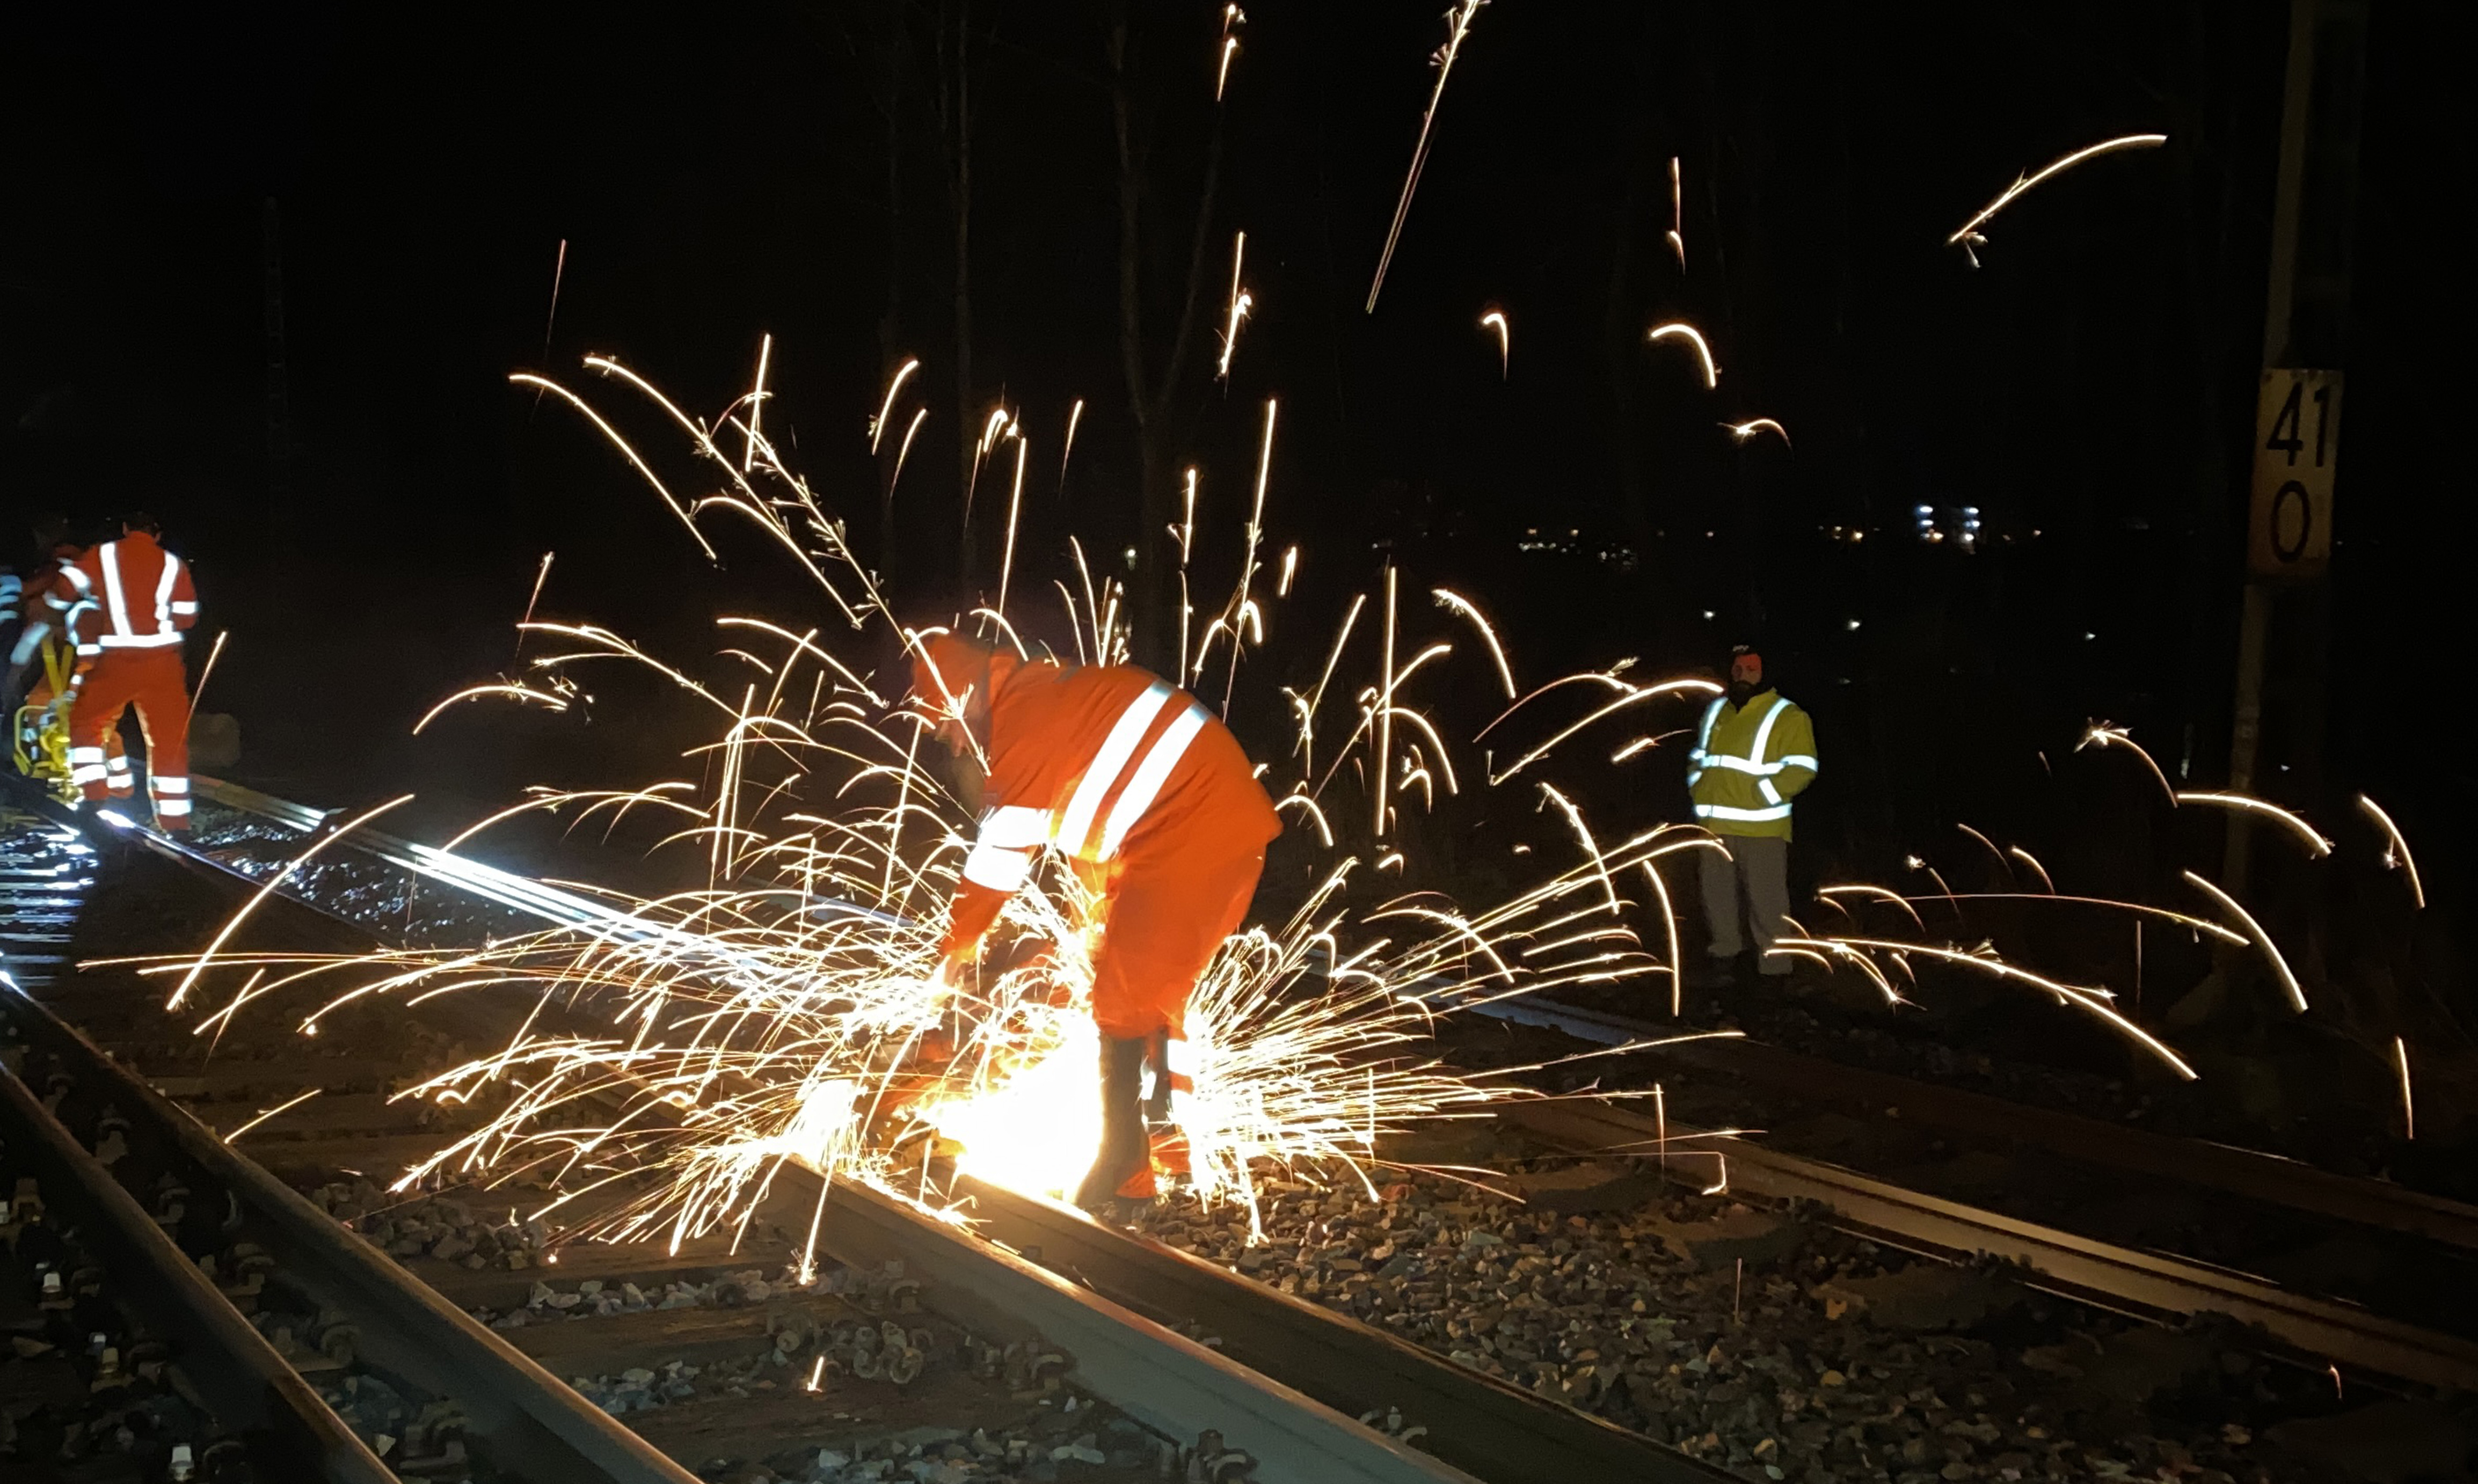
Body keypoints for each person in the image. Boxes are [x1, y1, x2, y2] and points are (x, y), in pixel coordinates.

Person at [909, 628, 1280, 1208]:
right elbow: (1097, 817)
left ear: (961, 694)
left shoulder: (1025, 717)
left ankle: (1123, 1167)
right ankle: (1165, 1139)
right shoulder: (1041, 697)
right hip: (1181, 827)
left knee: (1125, 996)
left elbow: (1001, 852)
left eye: (943, 722)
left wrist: (956, 950)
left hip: (1196, 827)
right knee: (1137, 982)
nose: (950, 742)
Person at [46, 511, 198, 830]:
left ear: (126, 528)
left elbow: (64, 589)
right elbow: (186, 618)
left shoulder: (102, 554)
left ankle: (94, 797)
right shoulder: (174, 564)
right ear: (157, 534)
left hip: (117, 659)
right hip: (164, 665)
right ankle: (175, 823)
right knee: (169, 741)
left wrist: (54, 609)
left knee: (87, 723)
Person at [1686, 646, 1818, 984]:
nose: (1742, 674)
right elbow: (1699, 755)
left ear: (1766, 674)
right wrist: (1698, 784)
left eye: (1751, 668)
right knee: (1716, 899)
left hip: (1762, 828)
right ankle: (1725, 958)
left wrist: (1763, 795)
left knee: (1768, 903)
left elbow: (1803, 767)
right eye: (1738, 668)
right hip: (1714, 826)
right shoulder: (1717, 710)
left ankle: (1775, 971)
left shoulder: (1788, 715)